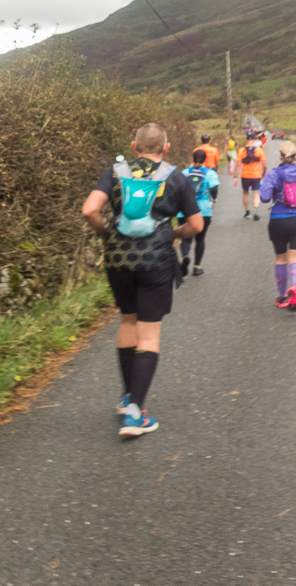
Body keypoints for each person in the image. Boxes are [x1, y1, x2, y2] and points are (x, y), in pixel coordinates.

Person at [81, 123, 202, 438]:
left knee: (127, 323)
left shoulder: (115, 172)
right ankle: (135, 414)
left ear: (134, 147)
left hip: (118, 260)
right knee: (148, 336)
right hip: (156, 261)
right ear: (166, 148)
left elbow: (89, 210)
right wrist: (174, 233)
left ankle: (126, 397)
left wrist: (106, 233)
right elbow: (196, 225)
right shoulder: (177, 178)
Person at [259, 141, 296, 311]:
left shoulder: (273, 175)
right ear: (295, 157)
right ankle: (294, 286)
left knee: (281, 259)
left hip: (278, 219)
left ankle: (283, 297)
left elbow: (263, 198)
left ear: (280, 156)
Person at [179, 148, 220, 277]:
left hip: (184, 210)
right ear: (205, 160)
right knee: (200, 238)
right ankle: (197, 266)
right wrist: (213, 199)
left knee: (185, 237)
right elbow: (214, 188)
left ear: (192, 159)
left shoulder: (184, 173)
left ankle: (185, 256)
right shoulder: (210, 173)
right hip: (203, 209)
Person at [235, 136, 267, 220]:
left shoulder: (242, 150)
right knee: (256, 193)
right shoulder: (259, 150)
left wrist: (235, 176)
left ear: (246, 140)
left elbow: (238, 165)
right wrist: (263, 173)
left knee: (245, 193)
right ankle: (255, 209)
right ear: (254, 140)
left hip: (245, 175)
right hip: (256, 175)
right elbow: (264, 165)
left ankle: (247, 212)